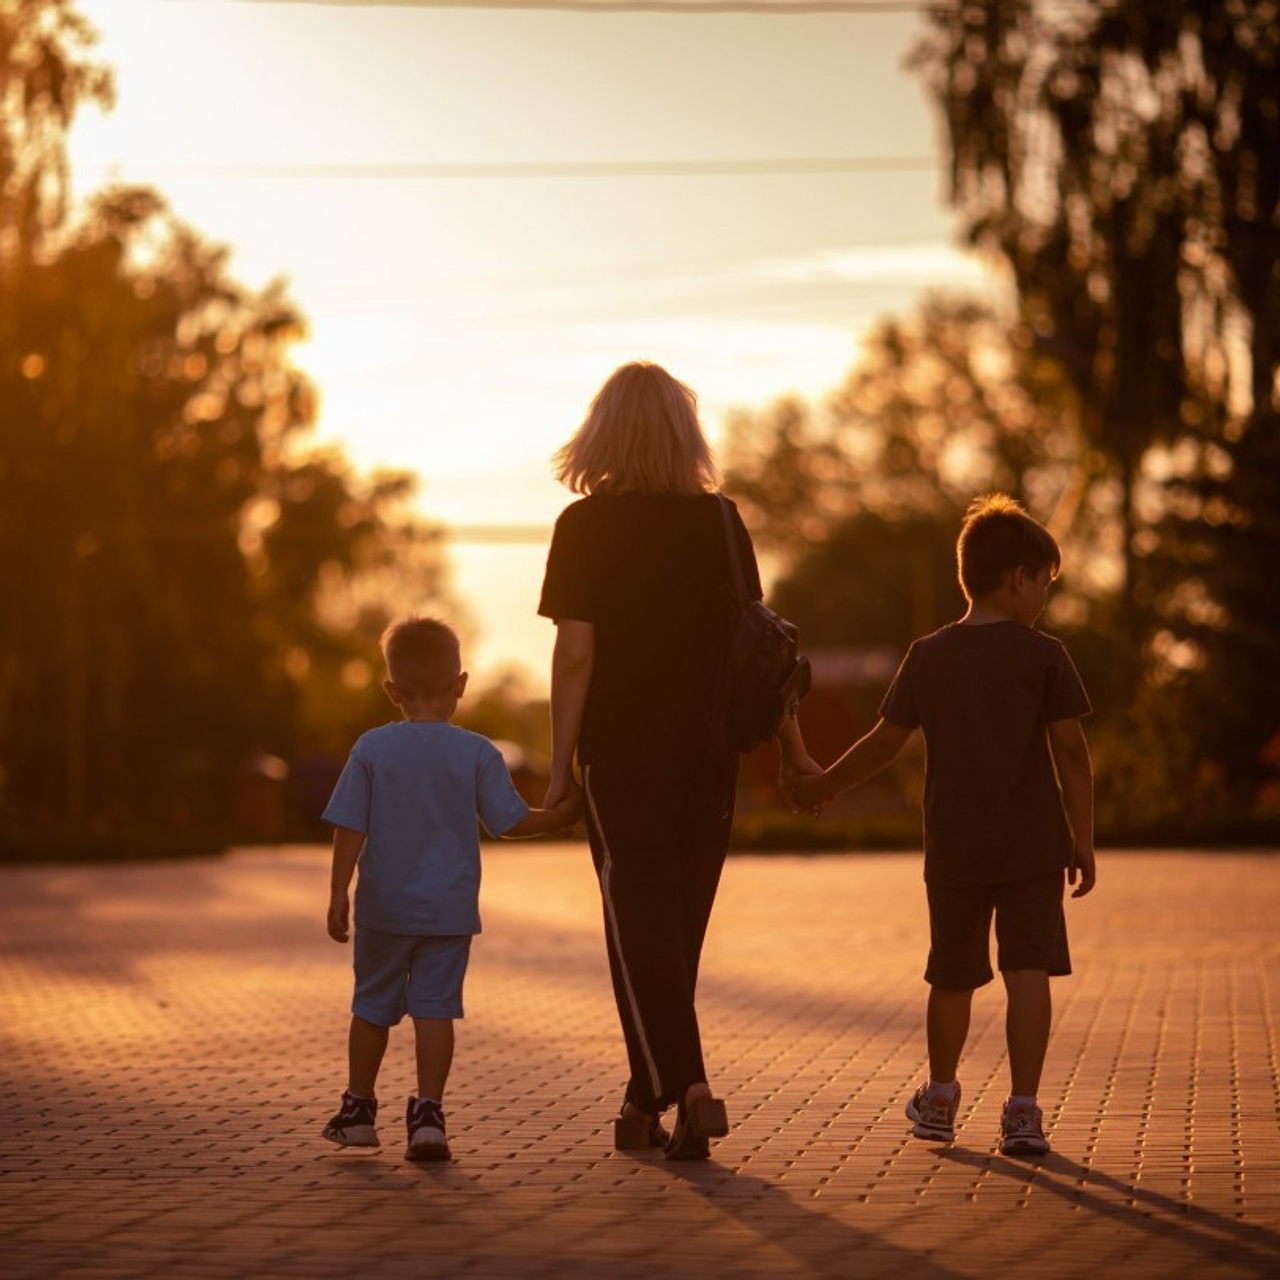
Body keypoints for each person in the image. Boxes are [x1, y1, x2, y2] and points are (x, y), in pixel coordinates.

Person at [538, 361, 820, 1160]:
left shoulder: (584, 528)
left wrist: (561, 771)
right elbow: (764, 652)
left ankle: (689, 1086)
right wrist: (795, 755)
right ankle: (643, 1099)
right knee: (675, 933)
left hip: (621, 755)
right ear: (683, 434)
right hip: (709, 752)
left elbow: (576, 656)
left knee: (638, 928)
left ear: (603, 433)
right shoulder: (722, 523)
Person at [792, 494, 1096, 1157]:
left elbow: (882, 743)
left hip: (955, 846)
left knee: (951, 976)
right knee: (1028, 973)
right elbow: (1072, 753)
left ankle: (939, 1097)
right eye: (1045, 581)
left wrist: (823, 786)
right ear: (1019, 577)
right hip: (1032, 846)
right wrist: (1083, 838)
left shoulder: (928, 655)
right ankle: (1022, 1112)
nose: (1045, 594)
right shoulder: (1045, 656)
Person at [320, 616, 581, 1161]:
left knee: (371, 1006)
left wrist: (338, 891)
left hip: (384, 910)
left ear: (392, 690)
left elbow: (351, 824)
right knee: (436, 1009)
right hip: (448, 912)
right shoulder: (478, 753)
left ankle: (359, 1111)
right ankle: (428, 1117)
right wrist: (557, 818)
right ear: (460, 685)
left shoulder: (372, 749)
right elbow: (508, 822)